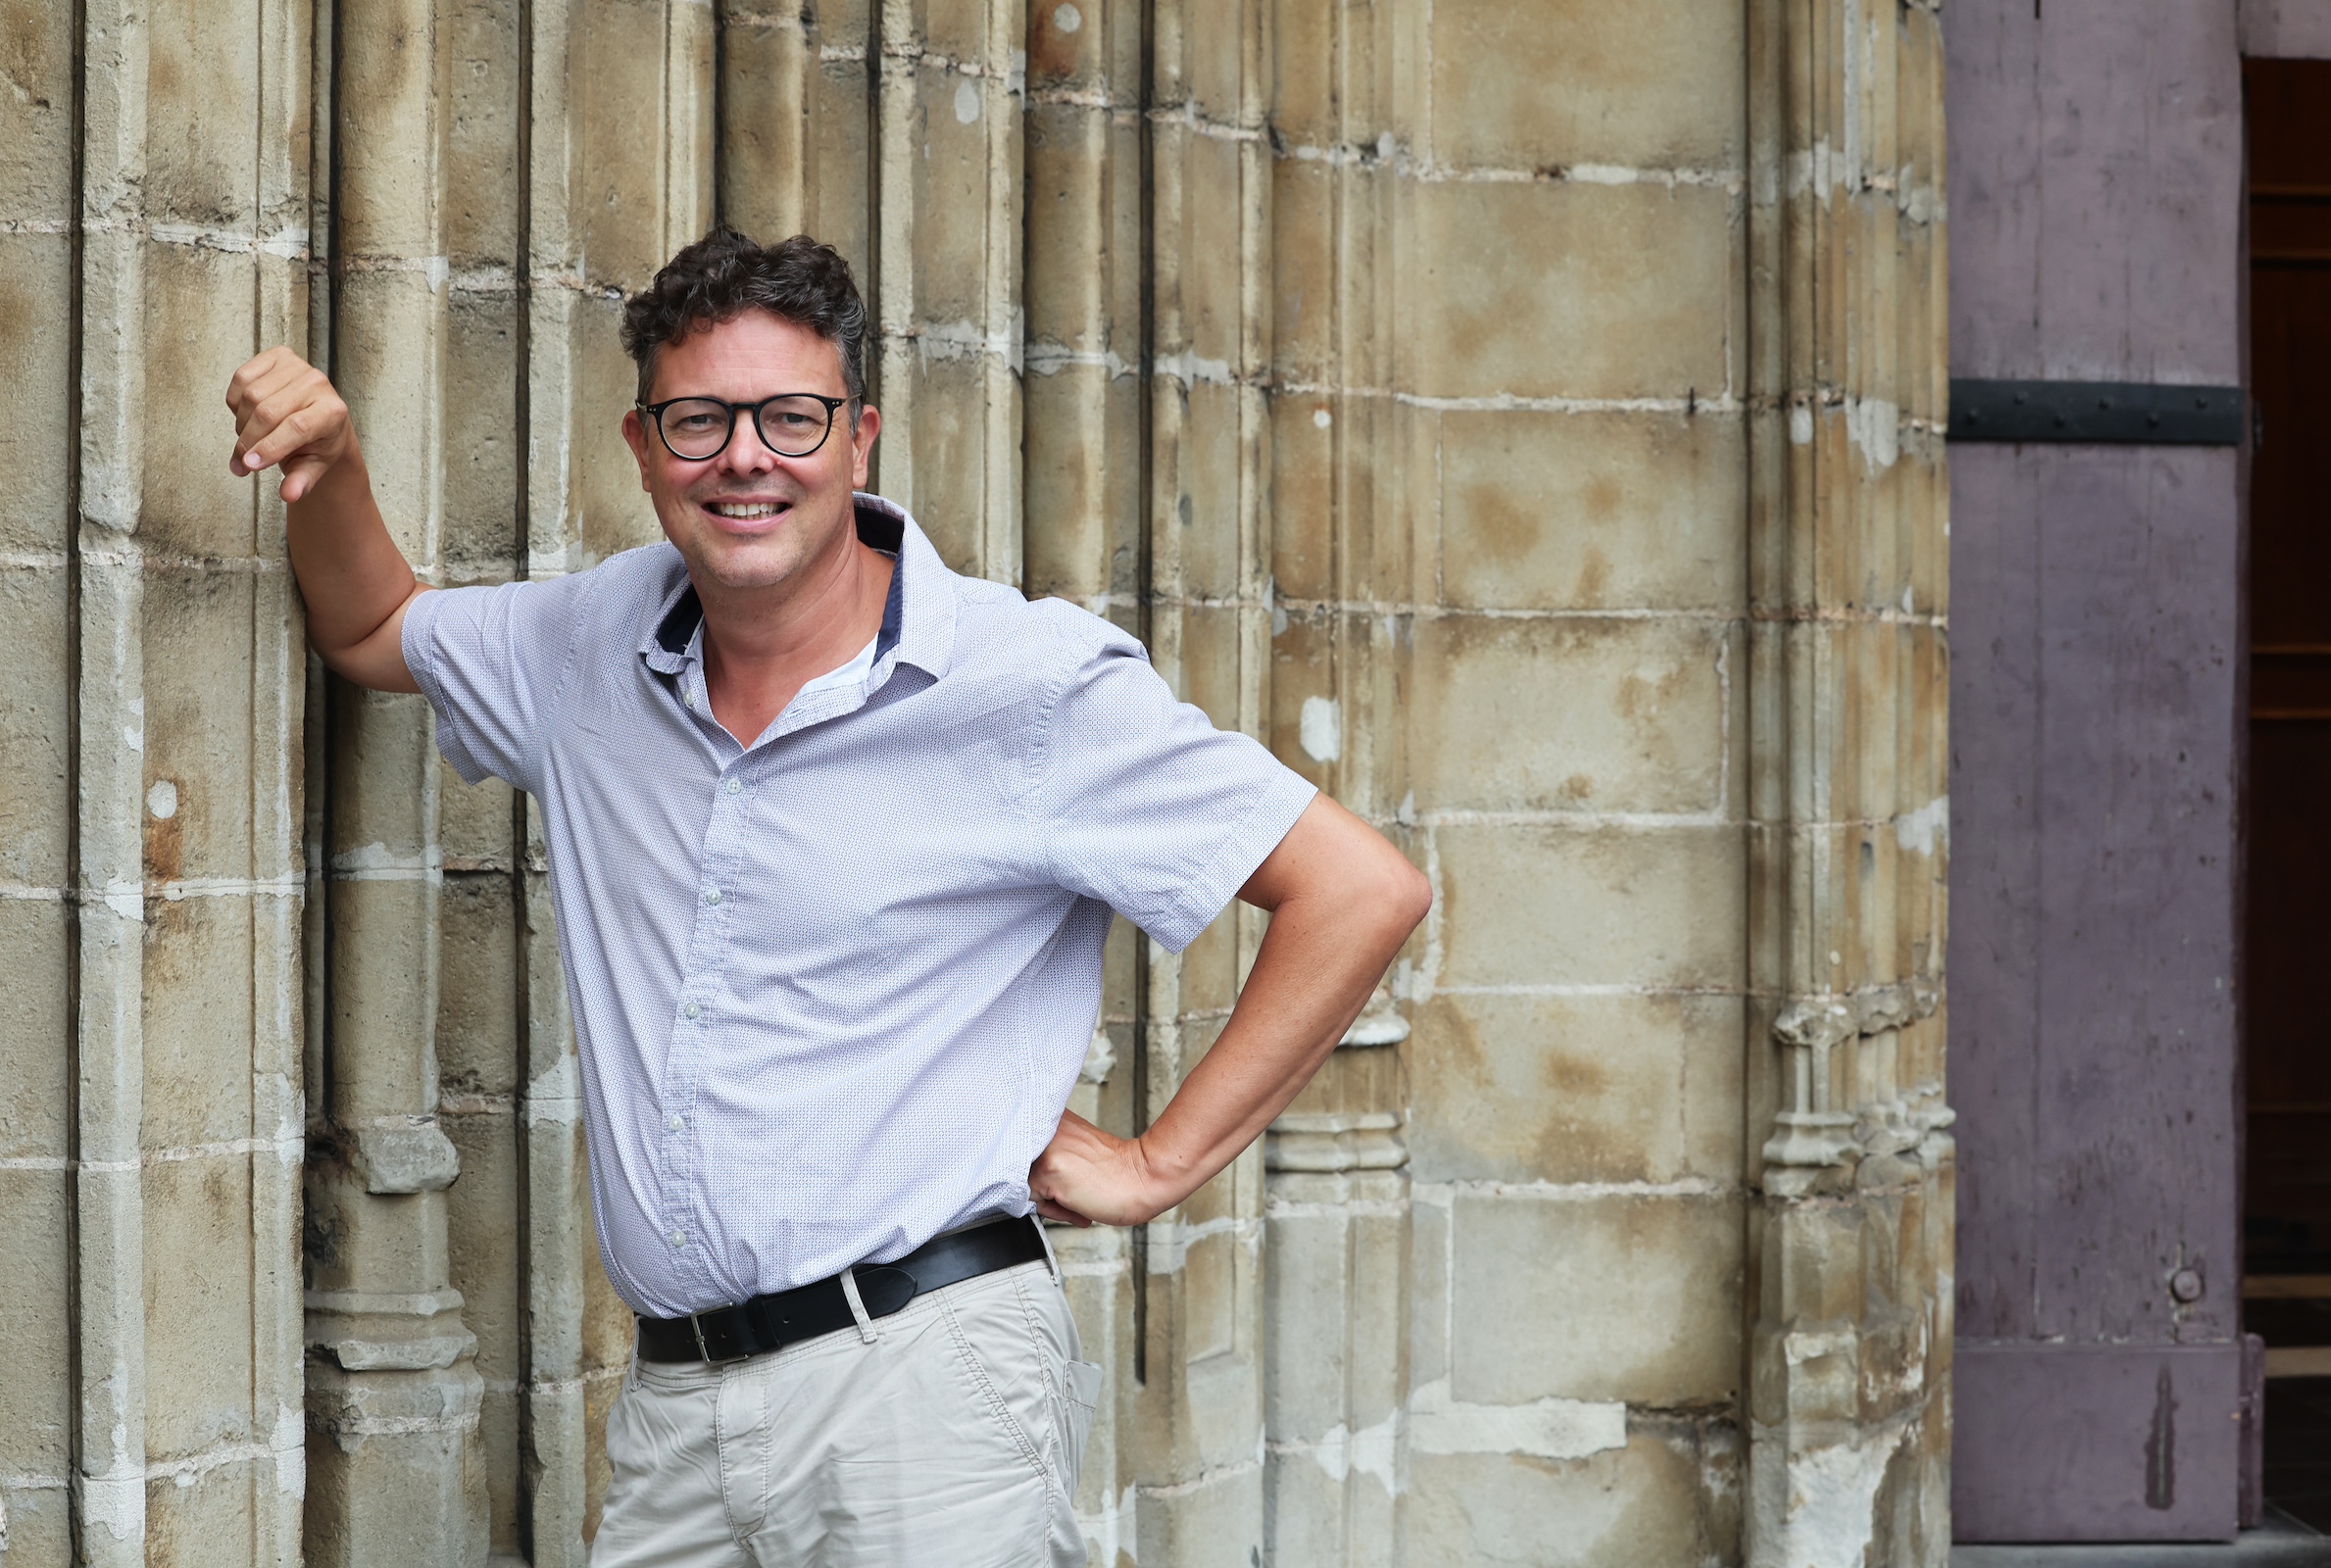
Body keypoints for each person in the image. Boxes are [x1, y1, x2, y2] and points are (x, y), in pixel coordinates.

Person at [224, 226, 1429, 1567]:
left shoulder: (1022, 685)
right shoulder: (587, 645)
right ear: (642, 447)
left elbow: (1356, 889)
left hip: (920, 1390)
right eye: (700, 421)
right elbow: (372, 627)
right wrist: (328, 470)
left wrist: (1159, 1166)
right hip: (681, 1412)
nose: (746, 458)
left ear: (857, 437)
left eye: (789, 418)